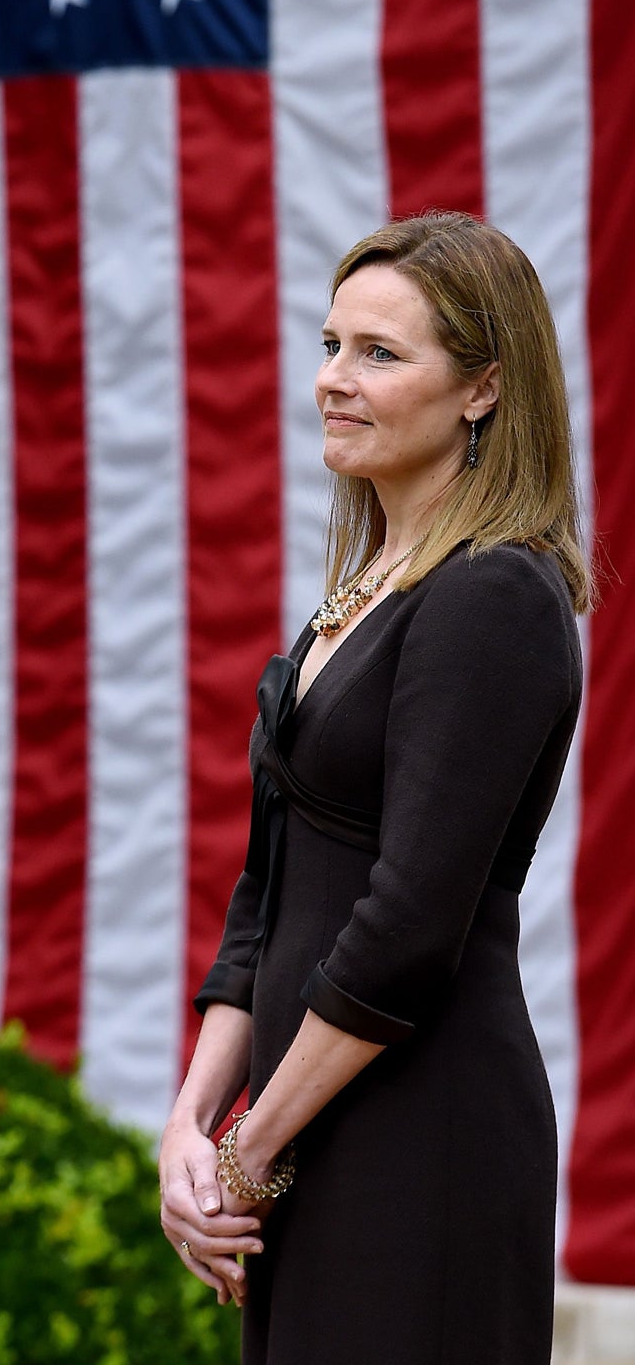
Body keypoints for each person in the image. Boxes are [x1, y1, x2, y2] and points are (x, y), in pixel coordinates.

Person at [159, 212, 591, 1363]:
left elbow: (405, 925)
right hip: (300, 1130)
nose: (332, 382)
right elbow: (268, 884)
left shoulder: (493, 597)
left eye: (378, 355)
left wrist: (250, 1151)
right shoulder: (359, 594)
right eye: (328, 344)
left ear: (482, 390)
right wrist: (190, 1126)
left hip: (418, 1134)